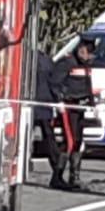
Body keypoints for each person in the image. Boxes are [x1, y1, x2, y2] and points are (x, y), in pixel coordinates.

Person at [49, 38, 96, 191]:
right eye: (85, 51)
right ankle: (57, 176)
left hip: (81, 108)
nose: (87, 55)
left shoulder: (86, 65)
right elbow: (54, 83)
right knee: (69, 142)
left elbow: (87, 85)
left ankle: (74, 177)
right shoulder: (67, 63)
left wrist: (91, 103)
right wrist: (60, 100)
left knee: (78, 142)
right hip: (69, 107)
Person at [34, 46, 65, 182]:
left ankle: (57, 167)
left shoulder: (28, 59)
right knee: (49, 137)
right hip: (45, 102)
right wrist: (57, 100)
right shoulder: (47, 61)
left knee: (24, 135)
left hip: (31, 101)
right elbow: (54, 83)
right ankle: (57, 169)